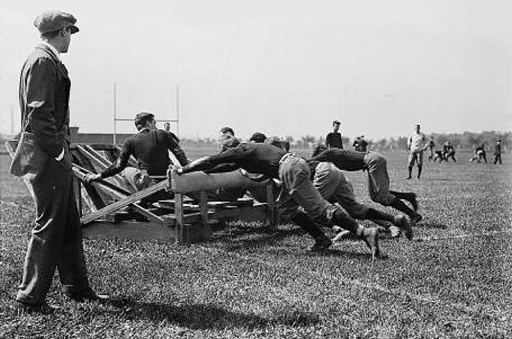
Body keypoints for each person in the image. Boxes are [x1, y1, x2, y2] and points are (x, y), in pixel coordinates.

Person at [12, 10, 106, 313]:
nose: (70, 39)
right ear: (63, 31)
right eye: (70, 32)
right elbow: (39, 114)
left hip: (51, 154)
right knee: (50, 224)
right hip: (49, 156)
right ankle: (30, 296)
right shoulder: (43, 61)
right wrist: (59, 152)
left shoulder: (44, 59)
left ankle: (77, 288)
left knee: (67, 224)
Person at [172, 143, 380, 258]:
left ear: (230, 150)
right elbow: (215, 167)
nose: (224, 155)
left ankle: (365, 233)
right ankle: (321, 239)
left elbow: (210, 161)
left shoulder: (241, 150)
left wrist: (183, 169)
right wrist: (198, 171)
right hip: (293, 166)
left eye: (225, 152)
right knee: (287, 209)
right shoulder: (247, 156)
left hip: (289, 169)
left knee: (320, 210)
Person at [310, 144, 423, 225]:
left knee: (382, 196)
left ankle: (413, 215)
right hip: (371, 162)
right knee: (375, 196)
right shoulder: (331, 155)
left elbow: (309, 162)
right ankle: (408, 196)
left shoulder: (329, 153)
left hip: (372, 160)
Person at [84, 112, 189, 193]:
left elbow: (118, 166)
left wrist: (100, 175)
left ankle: (136, 198)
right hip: (169, 185)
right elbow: (179, 153)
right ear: (148, 123)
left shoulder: (130, 141)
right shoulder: (163, 134)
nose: (156, 126)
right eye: (154, 123)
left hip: (149, 187)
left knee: (126, 170)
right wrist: (189, 169)